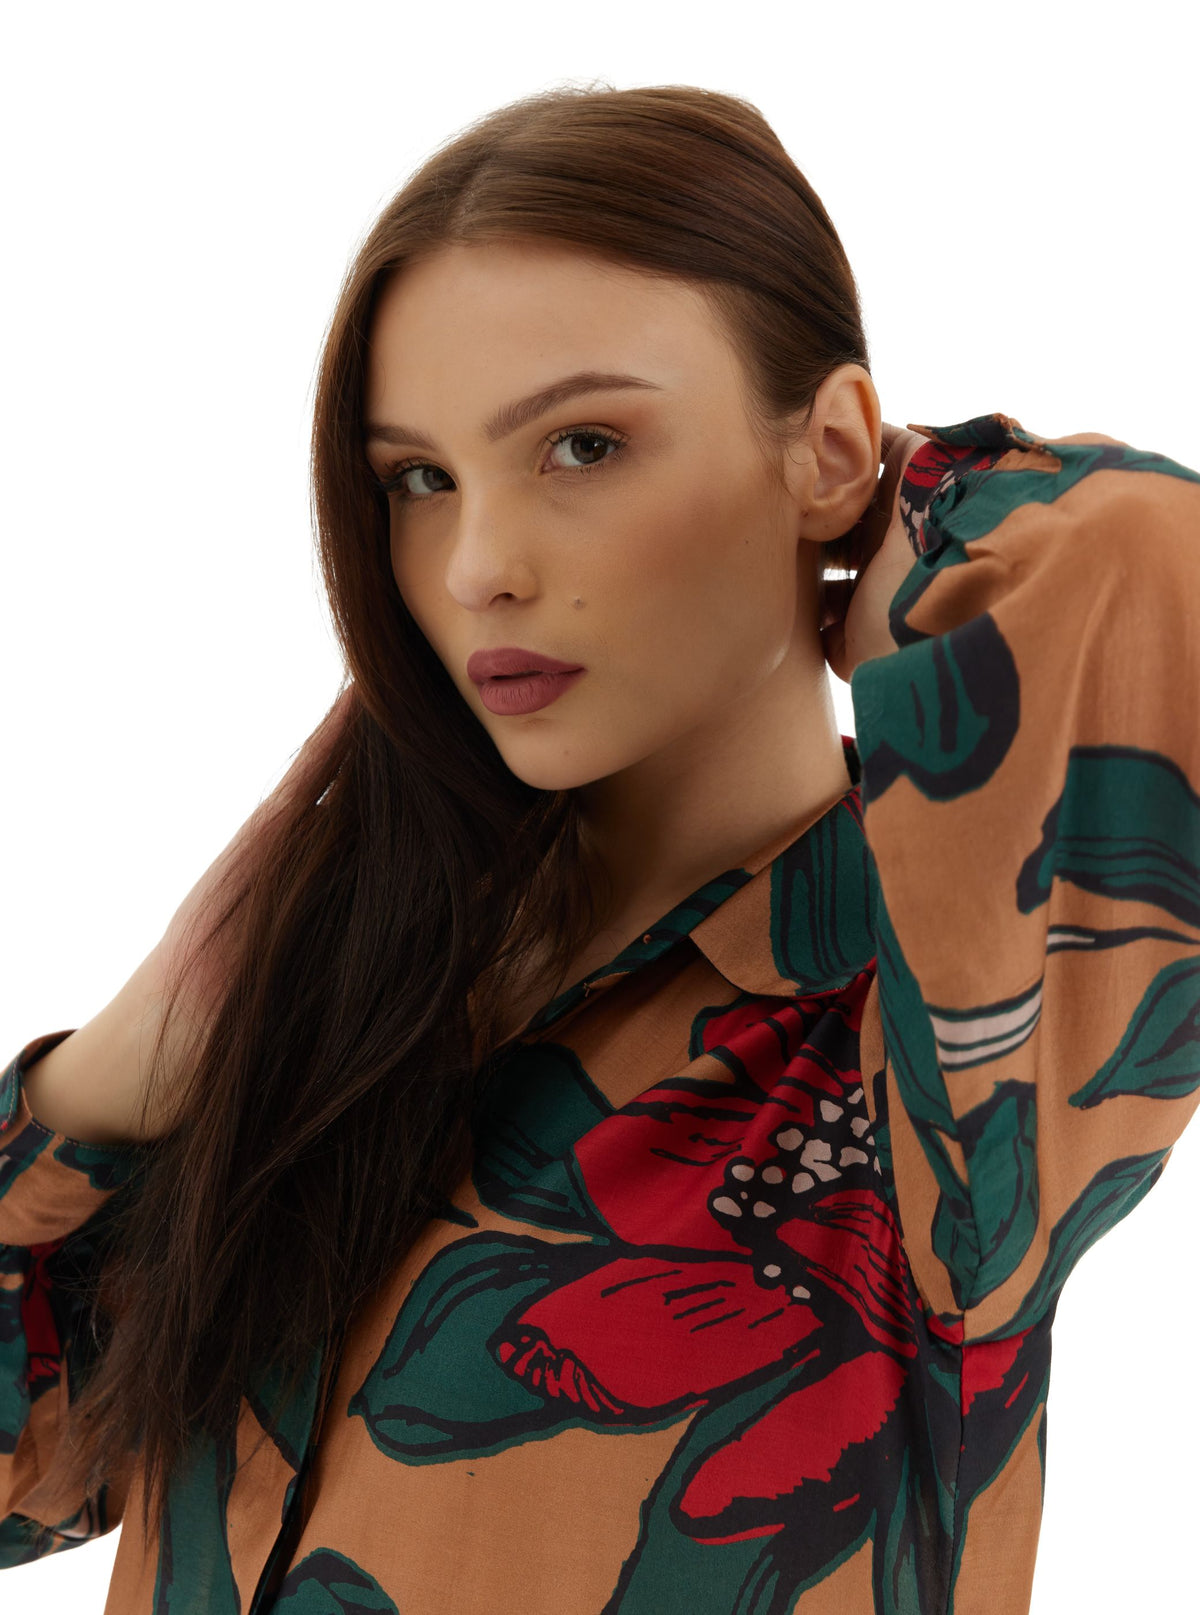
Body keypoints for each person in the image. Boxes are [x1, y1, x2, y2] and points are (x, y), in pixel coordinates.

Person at [1, 81, 1197, 1615]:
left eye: (583, 445)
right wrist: (111, 1080)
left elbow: (1145, 562)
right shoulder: (369, 985)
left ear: (829, 448)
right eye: (419, 478)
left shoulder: (938, 1042)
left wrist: (886, 494)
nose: (479, 567)